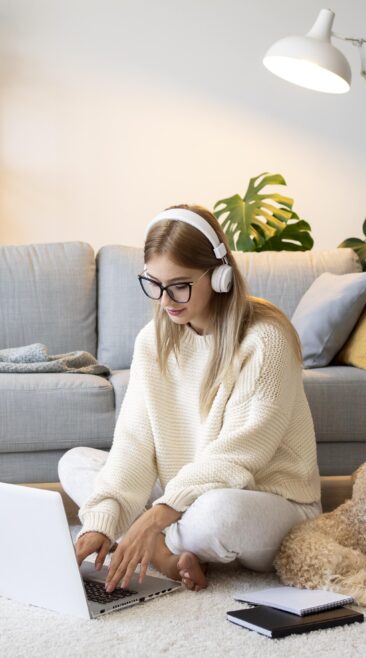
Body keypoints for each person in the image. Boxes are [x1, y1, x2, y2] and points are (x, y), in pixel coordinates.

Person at [58, 204, 322, 594]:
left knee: (219, 514)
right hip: (186, 494)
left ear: (220, 277)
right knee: (76, 462)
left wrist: (152, 519)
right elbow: (133, 443)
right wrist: (98, 523)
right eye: (154, 284)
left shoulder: (265, 340)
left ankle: (156, 544)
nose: (166, 300)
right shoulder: (153, 340)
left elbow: (236, 456)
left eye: (179, 285)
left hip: (264, 500)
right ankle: (164, 548)